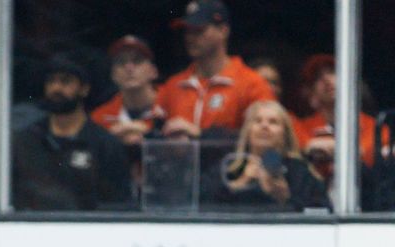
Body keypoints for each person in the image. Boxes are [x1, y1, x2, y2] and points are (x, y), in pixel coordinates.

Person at [12, 54, 131, 210]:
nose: (56, 88)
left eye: (65, 81)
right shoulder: (27, 140)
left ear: (84, 89)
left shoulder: (105, 144)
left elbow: (118, 204)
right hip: (34, 229)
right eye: (51, 81)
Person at [157, 0, 275, 140]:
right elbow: (155, 137)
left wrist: (202, 135)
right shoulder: (173, 86)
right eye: (187, 31)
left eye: (199, 30)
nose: (190, 37)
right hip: (179, 162)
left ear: (223, 31)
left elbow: (265, 139)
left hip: (231, 162)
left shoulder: (252, 84)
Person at [200, 100, 330, 212]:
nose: (264, 126)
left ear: (284, 134)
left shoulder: (300, 171)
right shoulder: (229, 167)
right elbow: (201, 204)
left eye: (273, 122)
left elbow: (323, 211)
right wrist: (239, 184)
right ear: (248, 131)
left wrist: (286, 199)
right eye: (257, 121)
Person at [91, 35, 163, 145]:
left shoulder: (173, 105)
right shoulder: (100, 117)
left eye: (137, 60)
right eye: (121, 62)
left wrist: (148, 133)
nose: (129, 67)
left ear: (154, 71)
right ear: (113, 75)